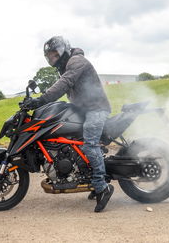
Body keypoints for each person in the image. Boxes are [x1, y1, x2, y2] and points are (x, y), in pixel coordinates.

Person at [26, 36, 114, 212]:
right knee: (71, 141)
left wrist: (41, 100)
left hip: (96, 109)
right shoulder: (66, 66)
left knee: (89, 145)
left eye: (54, 54)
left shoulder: (76, 61)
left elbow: (64, 84)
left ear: (63, 49)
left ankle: (102, 187)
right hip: (83, 109)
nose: (53, 59)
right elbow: (62, 85)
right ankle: (89, 179)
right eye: (50, 57)